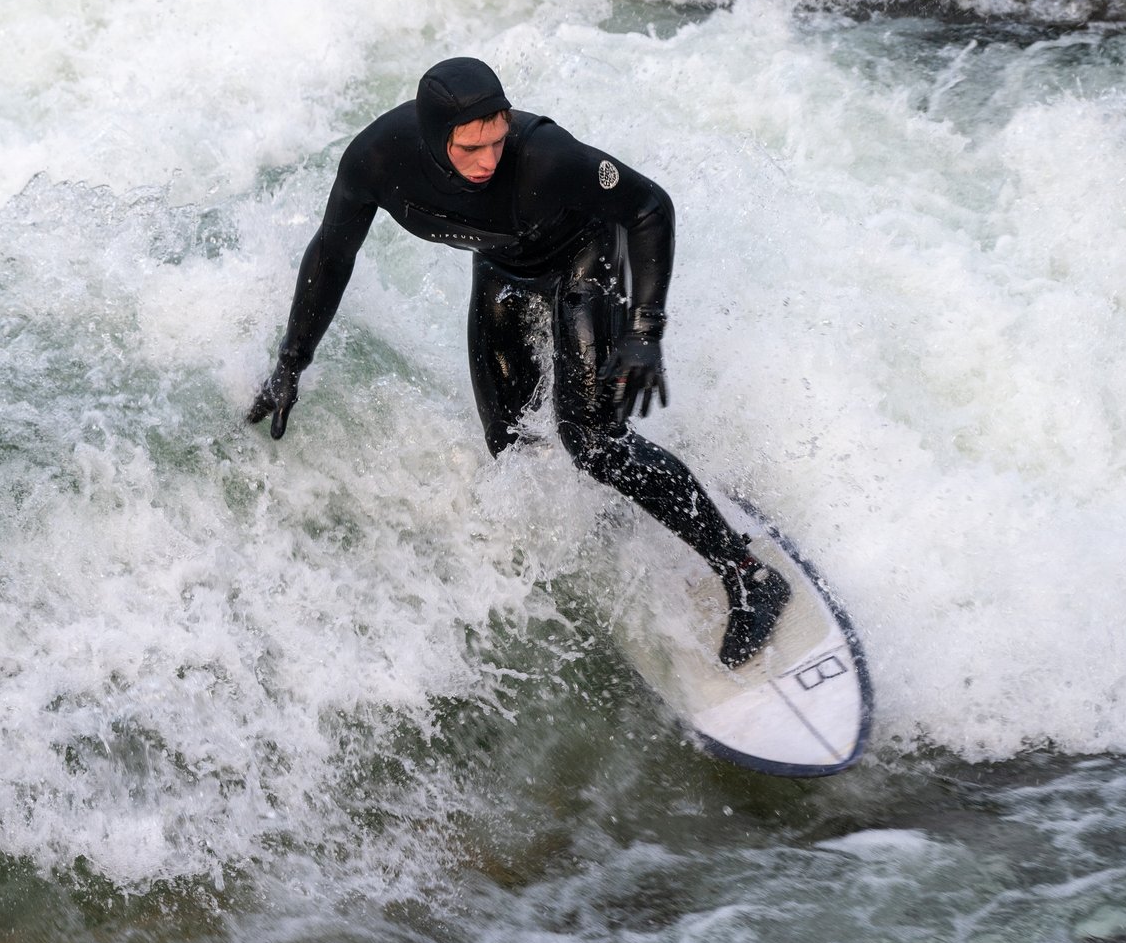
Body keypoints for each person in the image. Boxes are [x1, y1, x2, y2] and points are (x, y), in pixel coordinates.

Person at [246, 57, 790, 667]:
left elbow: (648, 208)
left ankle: (747, 574)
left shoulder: (545, 155)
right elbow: (332, 253)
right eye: (470, 149)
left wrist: (644, 332)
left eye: (497, 141)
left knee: (591, 441)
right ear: (432, 142)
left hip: (583, 260)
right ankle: (622, 508)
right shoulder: (376, 160)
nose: (488, 162)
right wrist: (292, 361)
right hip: (502, 266)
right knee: (508, 442)